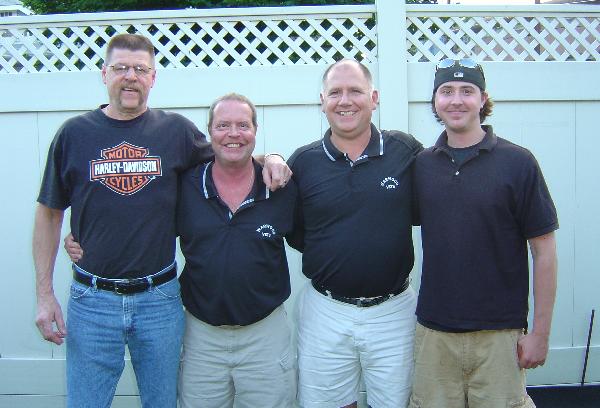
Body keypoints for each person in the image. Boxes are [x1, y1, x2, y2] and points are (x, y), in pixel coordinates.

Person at [33, 33, 290, 408]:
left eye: (140, 69)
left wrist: (272, 158)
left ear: (153, 78)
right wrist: (44, 295)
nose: (130, 76)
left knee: (162, 402)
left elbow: (231, 152)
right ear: (104, 73)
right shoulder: (74, 134)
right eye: (121, 68)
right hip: (93, 300)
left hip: (159, 299)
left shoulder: (175, 132)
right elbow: (49, 212)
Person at [409, 58, 558, 408]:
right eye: (446, 91)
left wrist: (540, 334)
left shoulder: (518, 162)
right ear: (435, 101)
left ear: (483, 99)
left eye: (467, 91)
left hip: (499, 335)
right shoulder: (422, 165)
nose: (456, 100)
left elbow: (544, 252)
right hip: (435, 333)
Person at [286, 59, 422, 408]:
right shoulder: (303, 162)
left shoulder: (405, 151)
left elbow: (434, 207)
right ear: (322, 101)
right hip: (325, 311)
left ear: (374, 98)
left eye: (355, 91)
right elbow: (297, 233)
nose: (345, 101)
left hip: (393, 311)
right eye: (335, 93)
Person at [176, 93, 297, 408]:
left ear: (255, 131)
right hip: (202, 338)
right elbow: (143, 228)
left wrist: (274, 157)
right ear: (209, 132)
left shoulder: (280, 187)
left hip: (265, 336)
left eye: (243, 125)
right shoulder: (185, 187)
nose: (233, 134)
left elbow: (320, 235)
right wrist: (85, 241)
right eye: (223, 125)